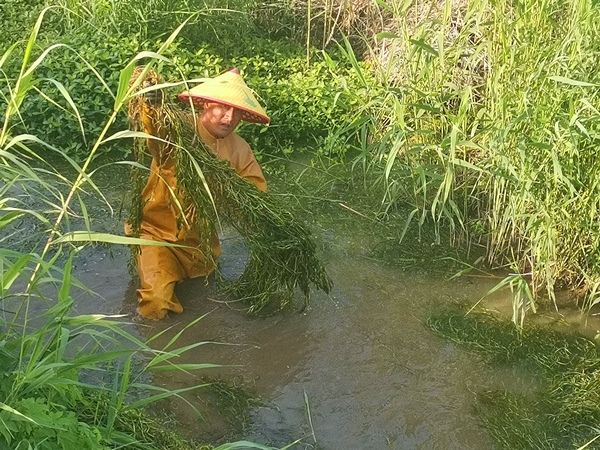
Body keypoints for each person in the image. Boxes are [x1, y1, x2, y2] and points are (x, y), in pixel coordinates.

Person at [127, 68, 269, 320]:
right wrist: (151, 101)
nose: (229, 118)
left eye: (237, 112)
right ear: (204, 104)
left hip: (200, 244)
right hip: (156, 234)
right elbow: (156, 128)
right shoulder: (179, 127)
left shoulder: (240, 149)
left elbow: (254, 195)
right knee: (157, 302)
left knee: (204, 299)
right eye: (223, 108)